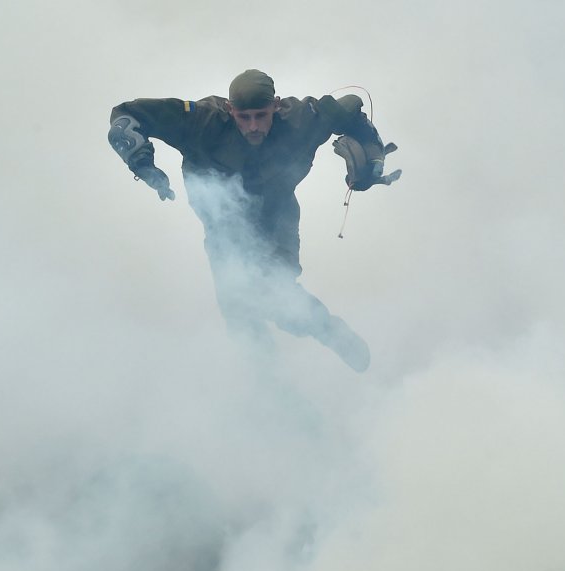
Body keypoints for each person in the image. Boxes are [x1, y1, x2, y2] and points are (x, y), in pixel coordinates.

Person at [107, 69, 399, 372]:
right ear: (230, 110)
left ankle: (328, 332)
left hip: (278, 214)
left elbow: (352, 109)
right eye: (244, 117)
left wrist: (372, 163)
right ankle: (268, 385)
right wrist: (141, 161)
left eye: (261, 115)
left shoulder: (303, 119)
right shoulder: (200, 122)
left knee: (276, 294)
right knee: (238, 308)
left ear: (276, 105)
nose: (254, 126)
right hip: (224, 226)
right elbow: (127, 115)